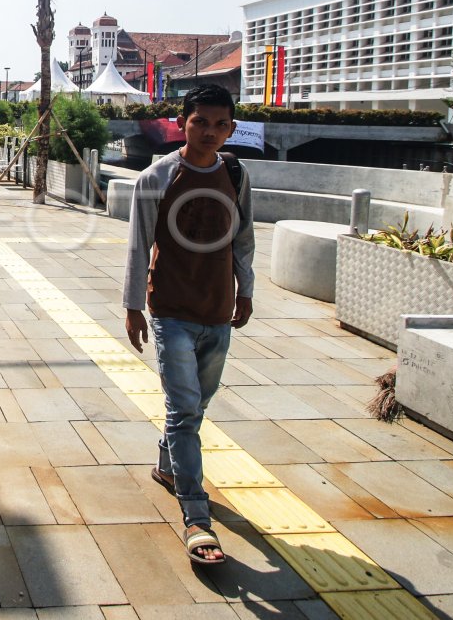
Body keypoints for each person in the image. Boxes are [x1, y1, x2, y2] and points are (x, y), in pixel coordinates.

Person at [123, 83, 254, 566]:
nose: (210, 132)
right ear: (183, 123)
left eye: (221, 124)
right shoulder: (158, 176)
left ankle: (167, 465)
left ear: (232, 128)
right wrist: (133, 306)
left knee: (196, 406)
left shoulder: (236, 173)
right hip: (171, 310)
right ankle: (197, 517)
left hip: (218, 310)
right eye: (200, 122)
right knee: (184, 410)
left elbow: (243, 239)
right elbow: (138, 245)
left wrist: (248, 290)